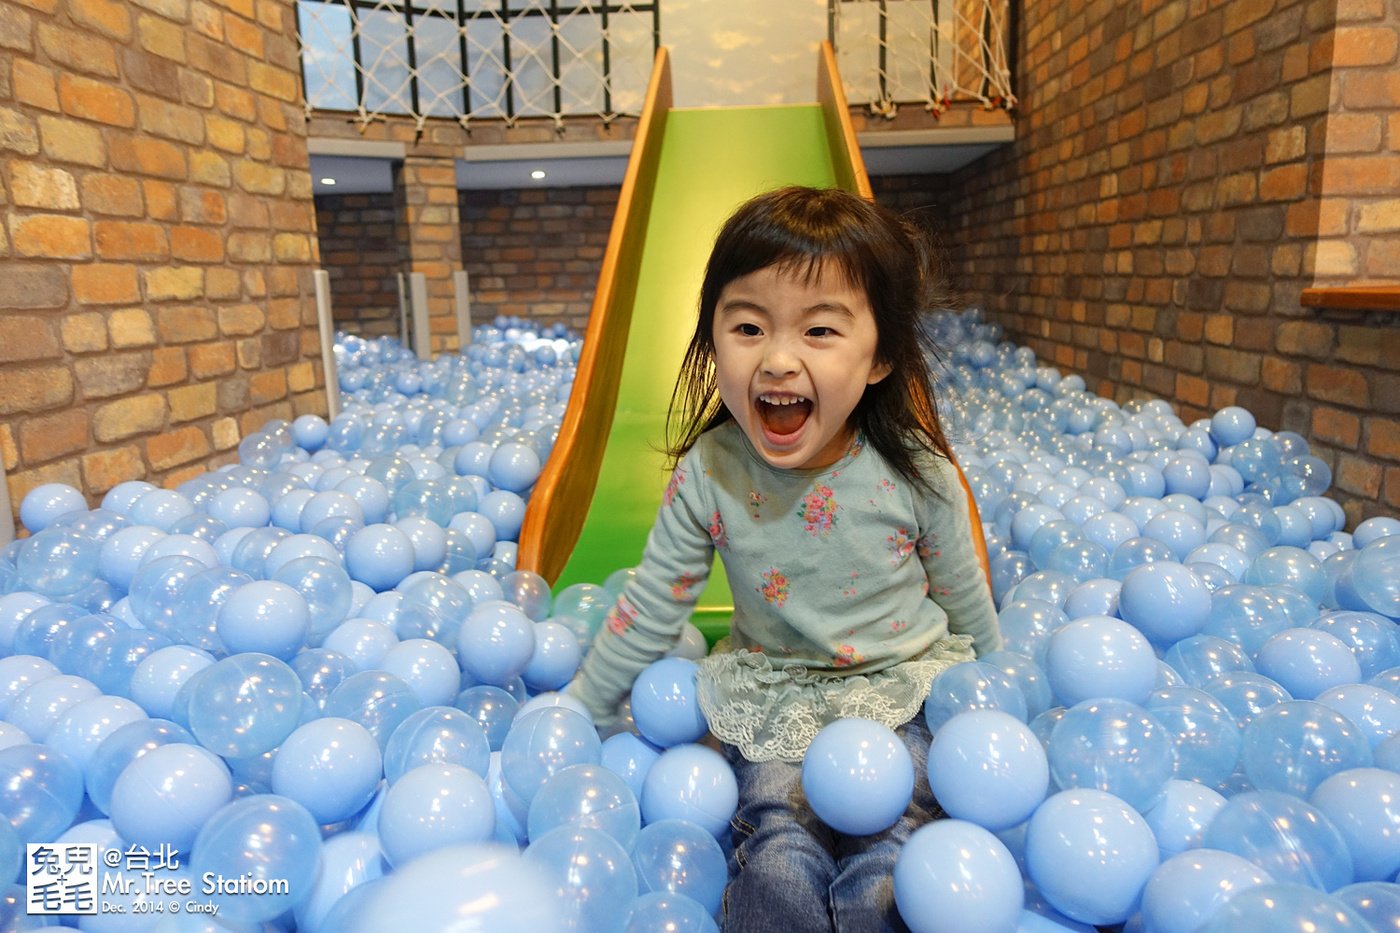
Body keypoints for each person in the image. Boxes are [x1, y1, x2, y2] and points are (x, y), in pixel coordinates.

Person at [568, 186, 1001, 933]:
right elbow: (654, 600)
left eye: (821, 330)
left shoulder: (918, 471)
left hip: (903, 693)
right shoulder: (712, 470)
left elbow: (966, 601)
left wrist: (1002, 702)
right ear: (711, 339)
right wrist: (583, 708)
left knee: (895, 852)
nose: (776, 358)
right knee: (776, 843)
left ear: (881, 357)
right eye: (747, 325)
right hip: (774, 699)